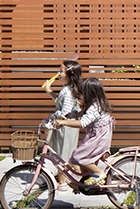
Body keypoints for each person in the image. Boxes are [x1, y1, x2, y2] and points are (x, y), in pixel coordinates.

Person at [53, 76, 114, 187]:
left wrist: (64, 122)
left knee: (78, 156)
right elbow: (85, 114)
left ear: (89, 94)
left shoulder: (95, 107)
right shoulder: (96, 104)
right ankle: (85, 180)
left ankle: (98, 173)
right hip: (96, 135)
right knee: (78, 157)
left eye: (82, 94)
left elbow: (83, 123)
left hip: (98, 138)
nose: (80, 97)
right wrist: (74, 114)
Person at [44, 60, 82, 191]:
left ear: (70, 75)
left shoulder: (69, 91)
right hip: (64, 126)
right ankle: (77, 176)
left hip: (65, 127)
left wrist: (54, 117)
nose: (58, 73)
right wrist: (49, 91)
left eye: (61, 71)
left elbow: (65, 112)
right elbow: (59, 103)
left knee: (62, 154)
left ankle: (63, 183)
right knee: (67, 154)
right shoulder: (66, 88)